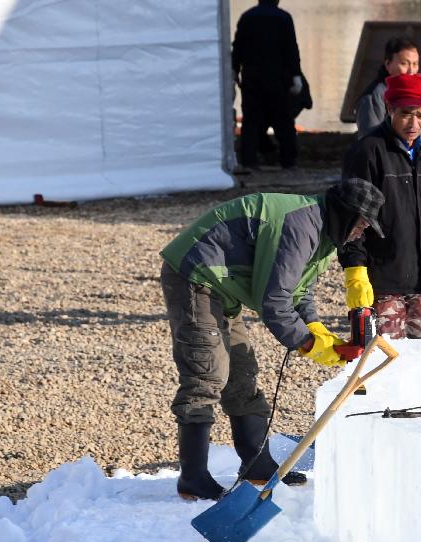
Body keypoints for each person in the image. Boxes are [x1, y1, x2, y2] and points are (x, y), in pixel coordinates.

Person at [159, 179, 385, 501]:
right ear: (345, 215)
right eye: (362, 224)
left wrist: (319, 332)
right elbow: (275, 302)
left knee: (242, 371)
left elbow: (299, 292)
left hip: (224, 288)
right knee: (206, 372)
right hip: (195, 276)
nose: (361, 233)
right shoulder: (301, 226)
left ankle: (257, 466)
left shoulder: (323, 234)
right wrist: (309, 344)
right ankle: (193, 478)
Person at [340, 73, 421, 340]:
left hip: (420, 277)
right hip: (382, 278)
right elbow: (350, 215)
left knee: (418, 358)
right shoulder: (368, 151)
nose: (414, 123)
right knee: (383, 358)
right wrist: (355, 269)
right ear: (389, 109)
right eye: (406, 114)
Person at [232, 0, 303, 170]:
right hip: (278, 79)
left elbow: (238, 48)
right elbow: (291, 49)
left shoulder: (247, 17)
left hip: (252, 78)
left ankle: (248, 160)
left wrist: (234, 70)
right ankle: (288, 160)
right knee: (283, 121)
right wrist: (296, 75)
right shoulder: (284, 18)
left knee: (251, 121)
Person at [354, 36, 419, 139]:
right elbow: (370, 142)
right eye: (404, 63)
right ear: (388, 64)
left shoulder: (411, 93)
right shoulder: (373, 97)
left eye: (415, 64)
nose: (411, 71)